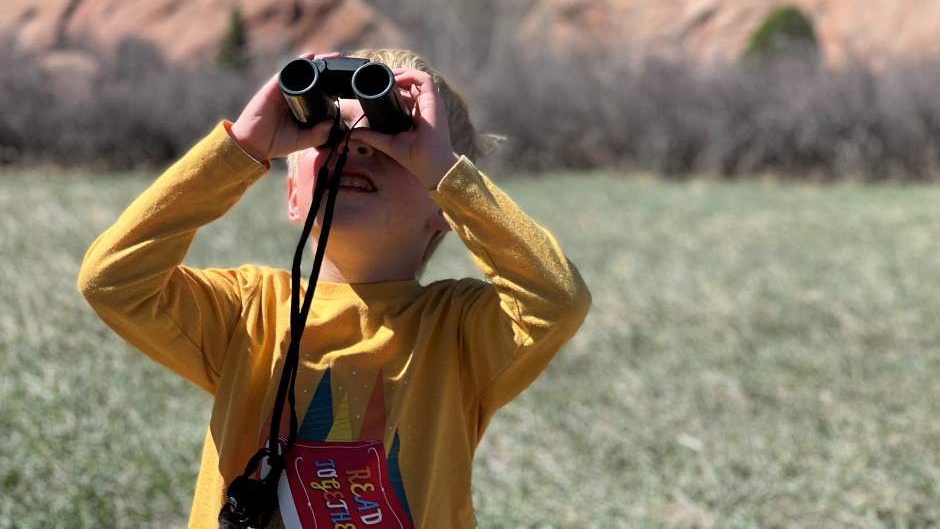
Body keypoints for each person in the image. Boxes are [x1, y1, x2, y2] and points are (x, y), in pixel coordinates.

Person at [77, 47, 591, 528]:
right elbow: (113, 280)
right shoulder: (246, 312)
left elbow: (557, 300)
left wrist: (447, 174)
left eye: (394, 141)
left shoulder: (458, 332)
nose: (357, 146)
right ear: (293, 195)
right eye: (327, 138)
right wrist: (242, 149)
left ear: (444, 206)